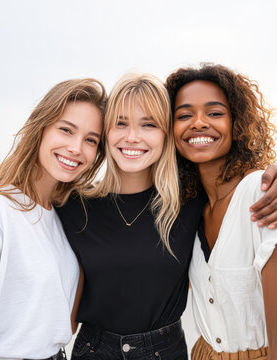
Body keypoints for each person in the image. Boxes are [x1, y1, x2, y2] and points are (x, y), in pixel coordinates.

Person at [56, 73, 206, 360]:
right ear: (106, 132)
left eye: (148, 124)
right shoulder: (73, 206)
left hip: (166, 351)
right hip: (93, 350)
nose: (132, 137)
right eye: (121, 123)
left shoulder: (190, 202)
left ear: (165, 133)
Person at [165, 64, 277, 359]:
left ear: (237, 122)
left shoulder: (261, 192)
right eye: (184, 115)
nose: (199, 123)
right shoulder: (188, 208)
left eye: (215, 113)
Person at [0, 78, 106, 359]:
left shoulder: (62, 216)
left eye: (91, 140)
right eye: (66, 130)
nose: (76, 148)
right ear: (40, 129)